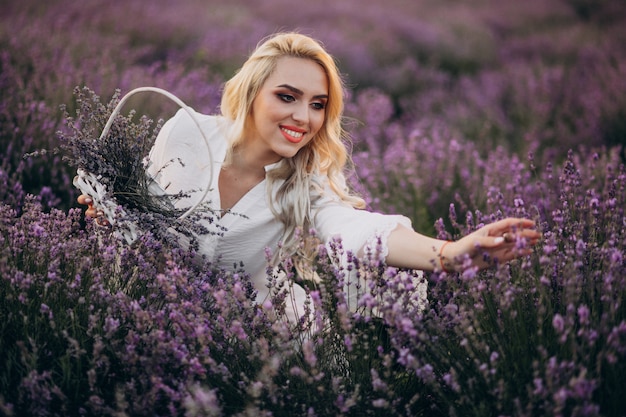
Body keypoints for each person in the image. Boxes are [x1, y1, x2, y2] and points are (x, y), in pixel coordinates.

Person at [78, 32, 540, 322]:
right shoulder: (184, 131)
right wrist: (109, 211)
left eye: (318, 104)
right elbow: (140, 208)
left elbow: (355, 230)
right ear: (253, 92)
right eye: (287, 96)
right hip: (147, 317)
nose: (304, 117)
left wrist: (448, 255)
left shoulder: (305, 180)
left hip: (259, 332)